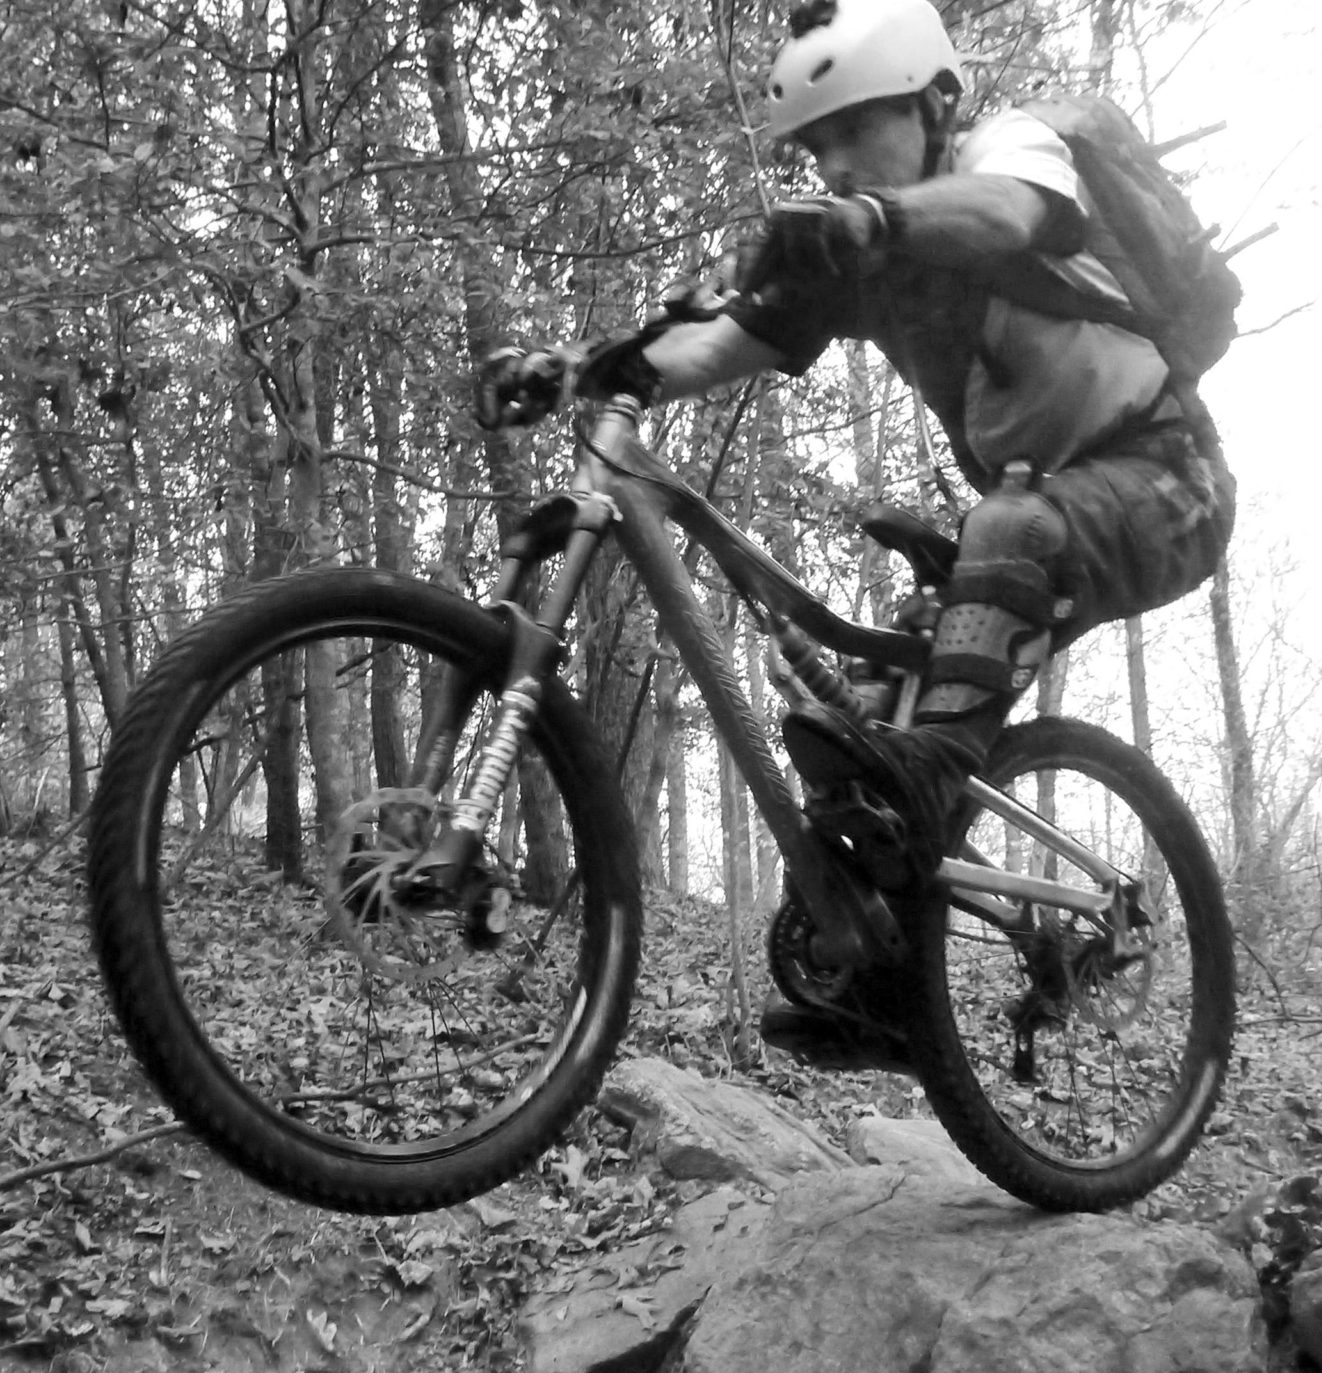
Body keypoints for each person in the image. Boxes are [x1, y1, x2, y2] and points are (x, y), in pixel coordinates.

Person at [520, 0, 1235, 1066]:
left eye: (856, 128)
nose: (835, 162)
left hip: (1164, 484)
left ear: (935, 103)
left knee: (996, 554)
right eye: (817, 144)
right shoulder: (866, 251)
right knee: (855, 712)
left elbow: (1010, 214)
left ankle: (928, 775)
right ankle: (886, 990)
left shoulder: (1010, 148)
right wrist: (586, 371)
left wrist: (873, 222)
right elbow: (722, 346)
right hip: (1030, 518)